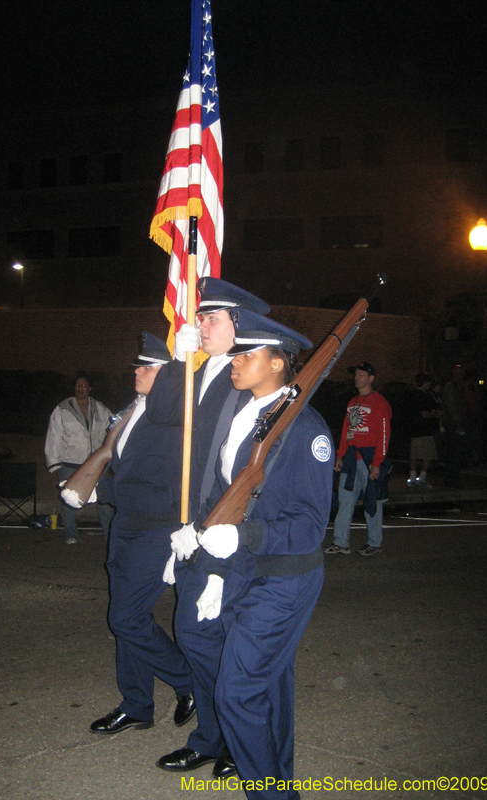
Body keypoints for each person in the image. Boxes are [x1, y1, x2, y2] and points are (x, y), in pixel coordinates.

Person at [165, 310, 334, 800]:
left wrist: (246, 537)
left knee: (237, 693)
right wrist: (198, 533)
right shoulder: (250, 416)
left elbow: (309, 526)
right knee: (269, 687)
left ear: (278, 363)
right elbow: (231, 494)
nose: (234, 361)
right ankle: (279, 781)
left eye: (246, 354)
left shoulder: (305, 429)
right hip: (244, 570)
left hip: (284, 577)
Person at [147, 278, 270, 779]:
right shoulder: (205, 370)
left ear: (240, 325)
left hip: (224, 530)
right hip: (192, 526)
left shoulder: (244, 380)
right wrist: (179, 361)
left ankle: (239, 742)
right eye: (200, 317)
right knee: (197, 636)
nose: (200, 325)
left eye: (211, 318)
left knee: (215, 639)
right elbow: (161, 412)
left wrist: (211, 542)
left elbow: (238, 472)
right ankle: (215, 737)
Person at [89, 333, 195, 736]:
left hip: (156, 528)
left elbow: (167, 476)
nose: (137, 371)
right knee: (126, 615)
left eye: (148, 367)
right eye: (138, 365)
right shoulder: (135, 409)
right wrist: (101, 490)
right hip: (126, 525)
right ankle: (136, 703)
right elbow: (129, 468)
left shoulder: (176, 415)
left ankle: (188, 681)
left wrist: (181, 365)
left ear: (168, 375)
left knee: (126, 618)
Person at [324, 362, 392, 557]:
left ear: (371, 378)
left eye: (362, 374)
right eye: (356, 374)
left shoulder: (380, 403)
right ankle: (340, 542)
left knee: (372, 502)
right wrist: (341, 455)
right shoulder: (352, 402)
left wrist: (377, 463)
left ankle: (374, 542)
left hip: (369, 459)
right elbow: (346, 430)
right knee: (345, 500)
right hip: (351, 459)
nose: (357, 377)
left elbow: (384, 435)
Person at [45, 374, 111, 544]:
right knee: (69, 500)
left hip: (95, 463)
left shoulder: (100, 408)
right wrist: (54, 463)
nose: (80, 388)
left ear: (90, 388)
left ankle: (110, 535)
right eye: (77, 385)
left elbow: (111, 430)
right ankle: (71, 535)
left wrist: (109, 455)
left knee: (103, 499)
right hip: (70, 462)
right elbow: (53, 435)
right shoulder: (63, 409)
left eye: (84, 385)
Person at [441, 364, 476, 489]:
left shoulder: (460, 386)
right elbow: (451, 406)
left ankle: (454, 477)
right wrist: (458, 423)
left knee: (458, 452)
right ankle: (451, 479)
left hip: (460, 422)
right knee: (454, 452)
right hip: (454, 424)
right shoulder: (451, 387)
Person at [407, 373, 440, 488]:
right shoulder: (423, 396)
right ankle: (422, 478)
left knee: (414, 454)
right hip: (425, 429)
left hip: (414, 429)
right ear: (425, 383)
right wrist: (435, 415)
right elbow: (424, 414)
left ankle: (412, 478)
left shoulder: (411, 394)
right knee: (428, 454)